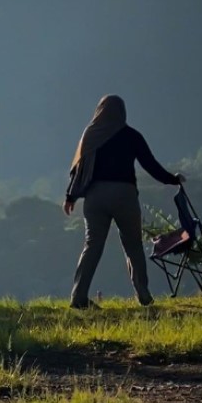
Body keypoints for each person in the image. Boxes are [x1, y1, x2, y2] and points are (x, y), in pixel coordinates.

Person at [65, 94, 184, 309]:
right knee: (133, 245)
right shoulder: (131, 136)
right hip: (124, 195)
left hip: (95, 196)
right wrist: (173, 180)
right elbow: (150, 165)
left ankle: (78, 296)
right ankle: (144, 295)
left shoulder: (91, 134)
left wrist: (70, 197)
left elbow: (79, 169)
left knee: (92, 246)